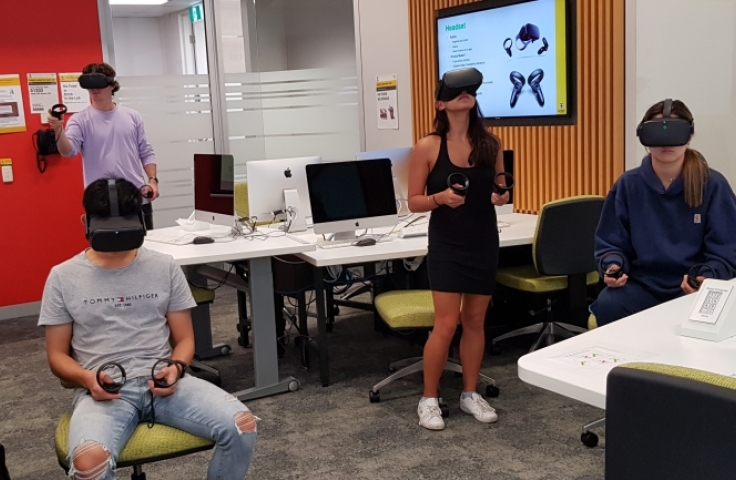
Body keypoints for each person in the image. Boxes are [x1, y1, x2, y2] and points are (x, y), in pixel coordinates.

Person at [38, 178, 257, 480]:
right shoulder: (63, 277)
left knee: (242, 425)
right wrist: (88, 379)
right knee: (89, 466)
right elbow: (56, 356)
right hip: (105, 390)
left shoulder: (164, 266)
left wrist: (177, 366)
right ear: (84, 222)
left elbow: (185, 339)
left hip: (164, 382)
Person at [407, 68, 509, 430]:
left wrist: (502, 196)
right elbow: (414, 202)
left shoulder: (491, 144)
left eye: (470, 91)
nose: (465, 94)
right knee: (446, 323)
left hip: (483, 239)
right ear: (441, 103)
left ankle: (469, 393)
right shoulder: (428, 146)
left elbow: (502, 188)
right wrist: (441, 198)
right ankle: (429, 398)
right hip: (448, 243)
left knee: (476, 321)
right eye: (457, 91)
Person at [590, 99, 736, 326]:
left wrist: (708, 276)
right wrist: (613, 265)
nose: (666, 143)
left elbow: (727, 248)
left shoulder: (713, 184)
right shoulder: (629, 185)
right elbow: (611, 241)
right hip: (641, 286)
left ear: (689, 135)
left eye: (675, 131)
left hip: (692, 288)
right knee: (609, 304)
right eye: (657, 133)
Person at [47, 62, 159, 230]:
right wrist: (58, 130)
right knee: (105, 252)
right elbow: (68, 151)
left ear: (112, 85)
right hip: (101, 200)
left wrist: (153, 180)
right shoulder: (80, 120)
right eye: (89, 86)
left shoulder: (132, 116)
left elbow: (146, 151)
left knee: (141, 249)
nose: (94, 90)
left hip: (134, 196)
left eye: (98, 85)